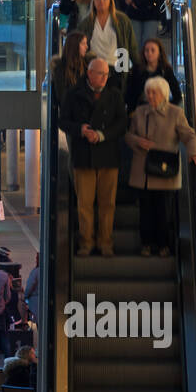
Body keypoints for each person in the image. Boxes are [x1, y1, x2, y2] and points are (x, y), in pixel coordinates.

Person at [127, 75, 196, 256]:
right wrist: (138, 141)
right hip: (143, 171)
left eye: (154, 93)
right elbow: (128, 136)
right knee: (145, 211)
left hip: (164, 171)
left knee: (163, 212)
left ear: (163, 94)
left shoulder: (175, 113)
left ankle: (163, 245)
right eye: (148, 93)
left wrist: (194, 153)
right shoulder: (140, 112)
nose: (151, 96)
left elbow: (189, 135)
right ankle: (146, 244)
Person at [61, 58, 128, 256]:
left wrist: (102, 135)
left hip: (108, 156)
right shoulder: (74, 94)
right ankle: (86, 243)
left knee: (108, 204)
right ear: (89, 73)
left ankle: (105, 243)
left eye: (107, 74)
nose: (104, 78)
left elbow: (122, 123)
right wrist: (80, 130)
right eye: (100, 74)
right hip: (83, 157)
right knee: (85, 205)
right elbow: (63, 120)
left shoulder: (114, 95)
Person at [76, 0, 137, 90]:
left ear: (110, 0)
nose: (101, 1)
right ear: (93, 1)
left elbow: (132, 47)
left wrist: (138, 68)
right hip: (95, 68)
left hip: (117, 68)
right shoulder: (86, 23)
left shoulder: (122, 20)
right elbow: (79, 49)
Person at [123, 37, 181, 110]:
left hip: (161, 109)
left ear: (159, 53)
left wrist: (167, 108)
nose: (149, 53)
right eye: (146, 50)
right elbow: (129, 94)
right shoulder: (136, 70)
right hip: (141, 110)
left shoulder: (166, 70)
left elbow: (177, 95)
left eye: (153, 50)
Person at [50, 31, 88, 113]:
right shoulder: (61, 68)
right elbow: (62, 97)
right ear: (74, 45)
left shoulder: (87, 65)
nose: (86, 47)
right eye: (83, 43)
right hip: (71, 114)